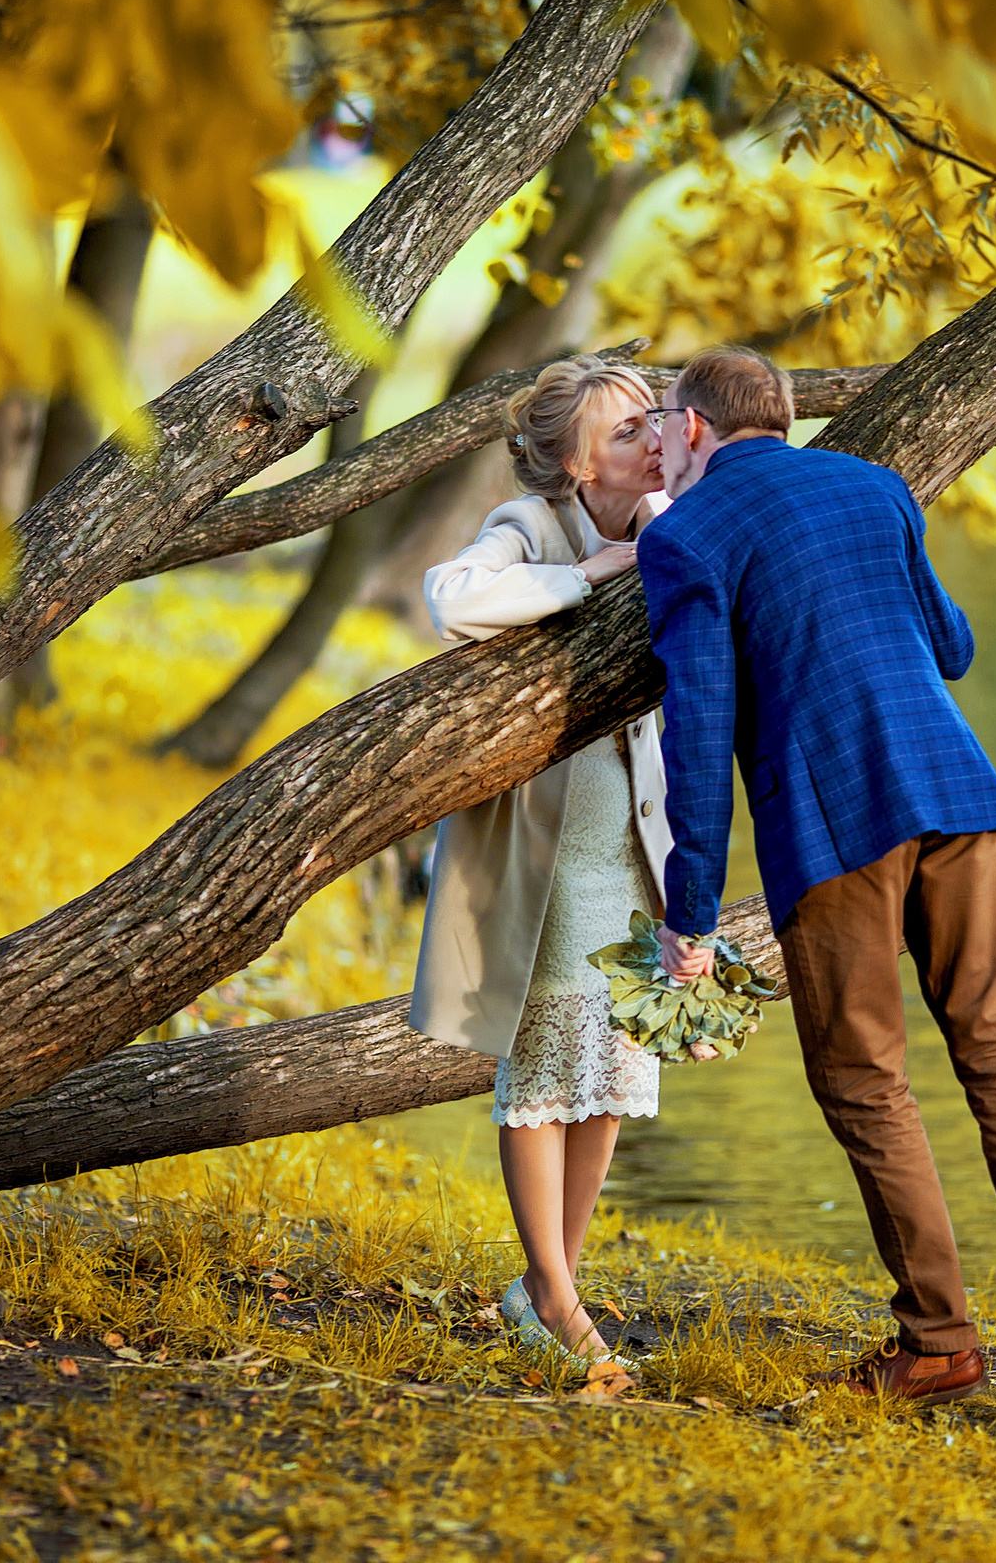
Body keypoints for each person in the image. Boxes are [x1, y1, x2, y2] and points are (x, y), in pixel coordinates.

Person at [635, 346, 996, 1422]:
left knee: (863, 1080)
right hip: (957, 793)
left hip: (835, 822)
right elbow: (952, 645)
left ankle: (939, 1342)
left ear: (698, 428)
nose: (656, 439)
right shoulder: (873, 486)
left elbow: (698, 737)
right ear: (785, 416)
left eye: (663, 421)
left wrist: (690, 914)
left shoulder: (687, 536)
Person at [407, 353, 671, 1383]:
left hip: (633, 845)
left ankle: (550, 1281)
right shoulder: (533, 527)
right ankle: (554, 1296)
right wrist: (582, 579)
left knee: (611, 1061)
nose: (653, 440)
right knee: (548, 1055)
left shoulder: (665, 524)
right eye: (624, 432)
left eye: (657, 422)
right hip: (546, 850)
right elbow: (452, 598)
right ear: (570, 462)